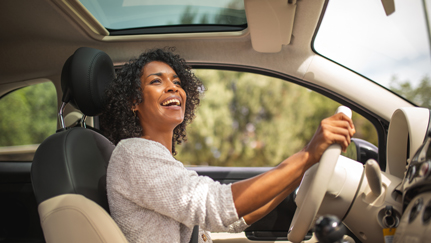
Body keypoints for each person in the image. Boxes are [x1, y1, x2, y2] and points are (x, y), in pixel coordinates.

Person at [101, 47, 355, 243]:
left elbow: (233, 220)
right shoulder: (134, 154)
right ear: (134, 101)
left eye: (177, 82)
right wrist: (307, 154)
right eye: (157, 81)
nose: (172, 88)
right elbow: (218, 207)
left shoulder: (160, 159)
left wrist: (303, 167)